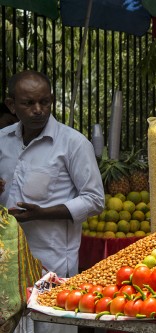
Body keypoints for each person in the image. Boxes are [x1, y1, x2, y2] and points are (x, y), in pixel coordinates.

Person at [0, 70, 105, 333]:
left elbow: (94, 200)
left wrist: (42, 213)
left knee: (50, 327)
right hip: (7, 267)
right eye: (28, 103)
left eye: (44, 102)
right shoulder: (2, 141)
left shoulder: (73, 144)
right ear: (12, 105)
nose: (38, 110)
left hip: (52, 266)